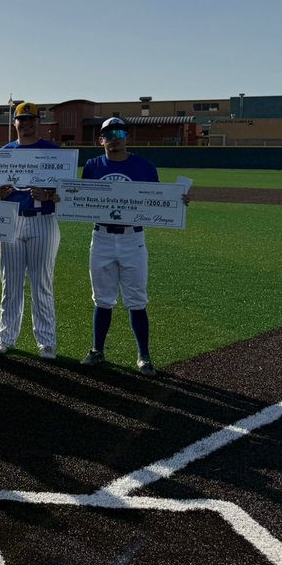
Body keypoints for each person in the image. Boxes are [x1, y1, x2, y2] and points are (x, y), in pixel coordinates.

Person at [79, 117, 187, 376]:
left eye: (120, 132)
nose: (115, 137)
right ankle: (97, 350)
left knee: (136, 299)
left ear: (127, 137)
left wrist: (178, 200)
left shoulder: (144, 166)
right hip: (102, 236)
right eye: (109, 133)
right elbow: (80, 198)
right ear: (101, 139)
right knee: (102, 299)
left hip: (132, 238)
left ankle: (144, 355)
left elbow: (158, 200)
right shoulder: (93, 166)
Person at [0, 102, 61, 359]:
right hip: (10, 220)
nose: (27, 123)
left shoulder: (52, 151)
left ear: (38, 122)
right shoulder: (6, 151)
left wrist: (51, 194)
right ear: (14, 123)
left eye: (31, 119)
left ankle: (46, 342)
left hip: (42, 219)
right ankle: (5, 338)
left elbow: (66, 191)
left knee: (42, 283)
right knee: (11, 284)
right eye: (22, 119)